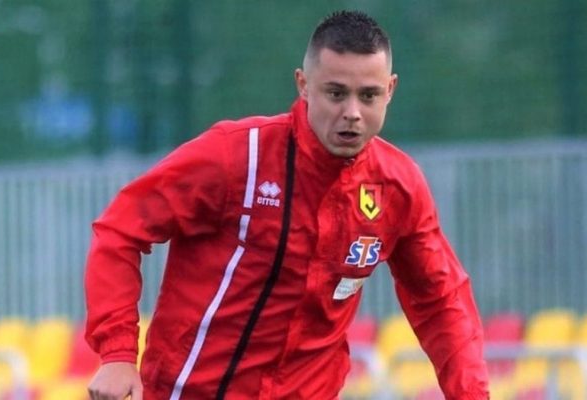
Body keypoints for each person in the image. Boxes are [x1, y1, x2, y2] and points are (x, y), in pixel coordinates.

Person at [85, 10, 490, 400]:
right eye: (336, 93)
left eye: (368, 95)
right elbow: (120, 231)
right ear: (303, 85)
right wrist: (118, 353)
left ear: (391, 90)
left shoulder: (399, 186)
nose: (352, 113)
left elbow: (441, 301)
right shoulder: (236, 156)